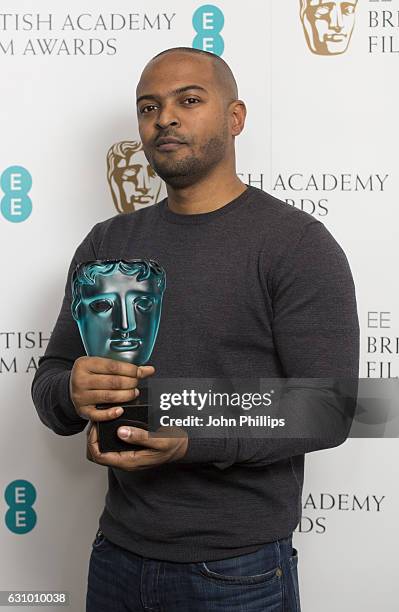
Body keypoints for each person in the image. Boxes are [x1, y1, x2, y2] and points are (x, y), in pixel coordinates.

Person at [32, 47, 360, 612]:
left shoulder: (296, 244)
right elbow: (51, 384)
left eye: (189, 100)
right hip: (115, 555)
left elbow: (329, 407)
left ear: (235, 118)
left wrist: (192, 439)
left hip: (237, 572)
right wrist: (71, 390)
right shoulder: (108, 244)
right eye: (148, 107)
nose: (165, 119)